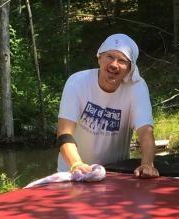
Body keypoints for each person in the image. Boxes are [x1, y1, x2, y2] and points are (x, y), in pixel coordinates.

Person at [56, 33, 159, 178]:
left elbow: (145, 132)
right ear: (99, 57)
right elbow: (64, 133)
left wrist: (147, 164)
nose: (114, 65)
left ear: (130, 68)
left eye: (122, 60)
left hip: (115, 173)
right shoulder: (77, 82)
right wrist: (76, 164)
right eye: (110, 57)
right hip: (72, 172)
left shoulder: (136, 88)